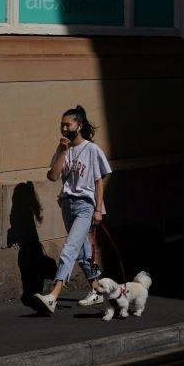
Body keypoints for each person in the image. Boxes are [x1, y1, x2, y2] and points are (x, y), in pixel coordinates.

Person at [32, 105, 112, 315]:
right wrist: (62, 150)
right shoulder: (64, 148)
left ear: (79, 125)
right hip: (67, 203)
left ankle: (53, 295)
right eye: (62, 124)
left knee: (70, 247)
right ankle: (96, 289)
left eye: (68, 124)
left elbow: (99, 180)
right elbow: (53, 176)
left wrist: (98, 209)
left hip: (86, 204)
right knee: (84, 252)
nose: (64, 128)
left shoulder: (91, 149)